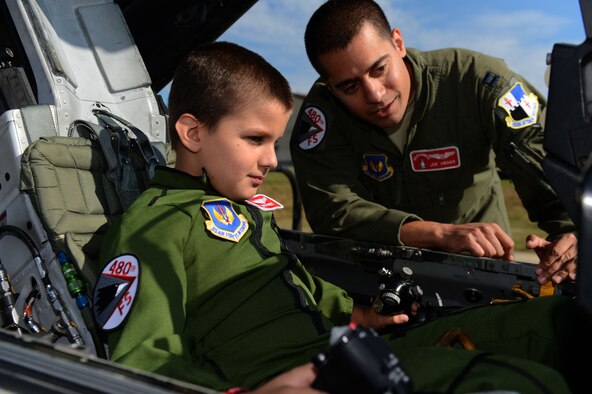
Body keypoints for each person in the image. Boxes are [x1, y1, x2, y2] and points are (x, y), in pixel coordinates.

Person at [95, 41, 588, 394]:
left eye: (274, 141)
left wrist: (361, 316)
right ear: (192, 133)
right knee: (521, 383)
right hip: (289, 377)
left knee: (557, 321)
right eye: (254, 140)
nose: (271, 159)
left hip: (340, 350)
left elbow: (303, 292)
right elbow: (140, 363)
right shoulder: (154, 227)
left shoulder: (243, 214)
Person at [289, 0, 577, 286]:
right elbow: (332, 210)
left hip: (481, 270)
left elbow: (551, 168)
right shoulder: (320, 118)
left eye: (379, 69)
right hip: (379, 275)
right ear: (329, 86)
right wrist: (437, 234)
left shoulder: (479, 83)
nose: (374, 94)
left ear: (398, 43)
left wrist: (572, 234)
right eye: (350, 87)